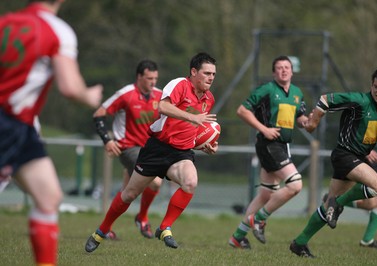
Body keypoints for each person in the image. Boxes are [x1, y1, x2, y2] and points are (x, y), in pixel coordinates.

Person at [0, 0, 103, 265]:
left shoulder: (6, 22)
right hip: (9, 122)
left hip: (20, 126)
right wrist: (89, 96)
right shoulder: (58, 30)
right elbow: (69, 87)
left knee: (49, 196)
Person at [85, 52, 218, 251]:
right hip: (157, 148)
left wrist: (204, 144)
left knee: (190, 182)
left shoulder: (209, 99)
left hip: (181, 153)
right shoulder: (180, 85)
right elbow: (163, 107)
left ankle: (164, 227)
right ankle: (102, 231)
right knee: (129, 194)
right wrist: (193, 118)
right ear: (193, 72)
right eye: (206, 73)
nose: (211, 78)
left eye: (213, 74)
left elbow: (196, 129)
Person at [290, 66, 377, 258]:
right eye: (376, 87)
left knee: (326, 210)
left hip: (356, 159)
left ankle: (299, 243)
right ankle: (338, 204)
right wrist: (313, 122)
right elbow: (325, 99)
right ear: (371, 85)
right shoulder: (359, 100)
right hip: (344, 156)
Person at [229, 55, 309, 249]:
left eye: (287, 67)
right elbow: (242, 110)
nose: (284, 70)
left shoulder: (297, 93)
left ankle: (237, 238)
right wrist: (264, 129)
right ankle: (258, 219)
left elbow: (301, 120)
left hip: (282, 146)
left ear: (292, 71)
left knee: (266, 194)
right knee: (295, 185)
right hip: (268, 144)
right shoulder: (266, 89)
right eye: (279, 68)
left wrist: (312, 119)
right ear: (274, 72)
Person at [93, 59, 163, 239]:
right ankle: (143, 217)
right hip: (128, 148)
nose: (153, 82)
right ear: (139, 77)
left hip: (148, 149)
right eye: (149, 78)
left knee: (127, 194)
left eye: (155, 78)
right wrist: (107, 140)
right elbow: (99, 115)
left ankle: (106, 228)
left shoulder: (160, 96)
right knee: (155, 181)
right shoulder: (125, 94)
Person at [327, 138, 377, 248]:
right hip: (365, 157)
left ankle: (367, 240)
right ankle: (336, 201)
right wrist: (366, 151)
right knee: (371, 204)